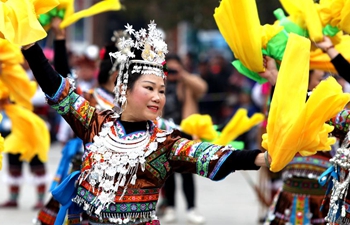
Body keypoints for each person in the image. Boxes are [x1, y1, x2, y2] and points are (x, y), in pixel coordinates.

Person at [22, 21, 270, 225]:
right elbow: (58, 91)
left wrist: (259, 158)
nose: (157, 97)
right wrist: (31, 47)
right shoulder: (95, 123)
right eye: (149, 88)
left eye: (162, 91)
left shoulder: (165, 143)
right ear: (124, 91)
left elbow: (208, 154)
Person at [259, 35, 350, 225]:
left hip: (324, 197)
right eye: (320, 78)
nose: (323, 82)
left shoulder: (335, 111)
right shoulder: (312, 107)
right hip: (291, 192)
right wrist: (276, 79)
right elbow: (282, 114)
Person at [160, 54, 207, 224]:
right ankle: (170, 207)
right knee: (168, 172)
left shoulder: (186, 82)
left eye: (175, 68)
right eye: (169, 69)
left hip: (186, 131)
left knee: (187, 172)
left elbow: (202, 87)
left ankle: (191, 208)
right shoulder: (160, 83)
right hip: (165, 132)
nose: (172, 72)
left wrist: (182, 75)